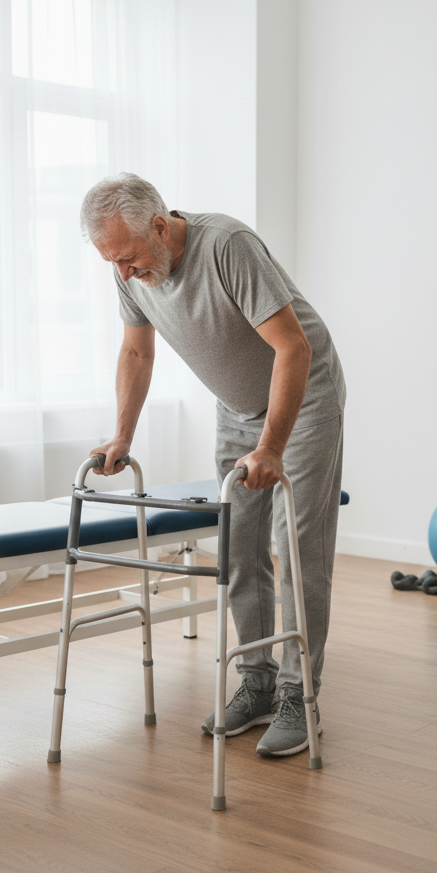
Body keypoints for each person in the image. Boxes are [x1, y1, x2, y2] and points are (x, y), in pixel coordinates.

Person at [80, 173, 346, 758]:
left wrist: (272, 446)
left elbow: (294, 347)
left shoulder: (227, 245)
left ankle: (299, 696)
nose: (122, 272)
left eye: (126, 257)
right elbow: (136, 350)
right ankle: (258, 682)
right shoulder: (129, 269)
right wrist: (122, 434)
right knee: (238, 543)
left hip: (304, 396)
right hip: (236, 406)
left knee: (296, 543)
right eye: (111, 261)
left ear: (158, 225)